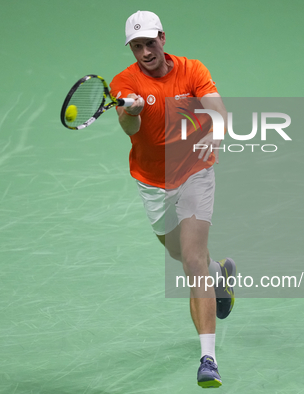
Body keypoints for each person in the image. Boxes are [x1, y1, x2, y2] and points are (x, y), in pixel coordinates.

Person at [110, 10, 236, 388]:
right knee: (177, 252)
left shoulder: (192, 70)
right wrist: (128, 113)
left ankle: (208, 359)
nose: (145, 51)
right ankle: (221, 275)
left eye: (150, 42)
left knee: (192, 262)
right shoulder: (124, 83)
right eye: (137, 46)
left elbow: (217, 109)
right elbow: (129, 127)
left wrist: (215, 130)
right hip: (152, 181)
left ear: (162, 38)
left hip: (195, 171)